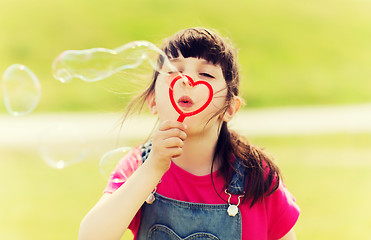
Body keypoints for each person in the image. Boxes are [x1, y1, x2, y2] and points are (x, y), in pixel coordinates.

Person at [78, 27, 300, 240]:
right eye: (174, 71)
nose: (186, 80)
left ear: (230, 108)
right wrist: (153, 168)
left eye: (205, 74)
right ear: (153, 101)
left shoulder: (256, 177)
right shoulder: (139, 165)